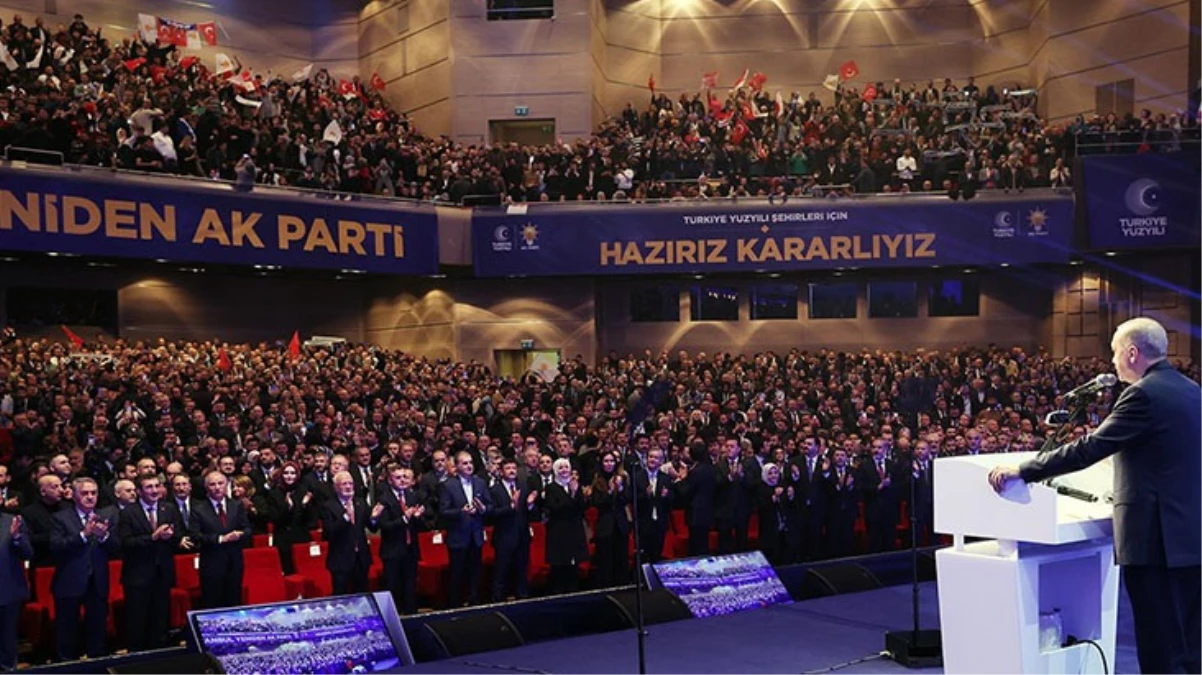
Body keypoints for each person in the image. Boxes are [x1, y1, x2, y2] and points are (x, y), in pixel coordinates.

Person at [990, 318, 1202, 675]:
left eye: (1116, 353)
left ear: (1132, 352)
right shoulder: (1191, 390)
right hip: (1190, 537)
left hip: (1156, 540)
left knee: (1158, 644)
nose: (1114, 362)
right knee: (1190, 644)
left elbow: (1091, 448)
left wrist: (1025, 469)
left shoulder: (1142, 394)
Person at [50, 477, 119, 660]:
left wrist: (104, 537)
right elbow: (55, 546)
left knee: (97, 631)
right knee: (67, 633)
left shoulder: (105, 517)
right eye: (85, 493)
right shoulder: (60, 518)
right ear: (74, 495)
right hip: (69, 583)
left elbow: (117, 547)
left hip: (97, 582)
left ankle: (98, 666)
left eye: (93, 493)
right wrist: (83, 535)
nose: (90, 497)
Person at [118, 474, 188, 651]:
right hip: (137, 575)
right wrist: (152, 537)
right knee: (137, 619)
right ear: (140, 491)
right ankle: (137, 657)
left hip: (162, 573)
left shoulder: (169, 509)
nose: (154, 490)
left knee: (160, 617)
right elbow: (125, 543)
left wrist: (173, 537)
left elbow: (178, 535)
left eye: (157, 486)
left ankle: (160, 654)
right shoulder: (128, 512)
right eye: (149, 487)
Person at [190, 471, 250, 609]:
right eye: (212, 484)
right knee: (213, 603)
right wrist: (220, 539)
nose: (217, 487)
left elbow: (247, 529)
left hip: (234, 562)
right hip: (212, 564)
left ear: (227, 485)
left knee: (234, 601)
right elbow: (195, 536)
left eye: (220, 483)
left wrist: (240, 534)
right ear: (206, 487)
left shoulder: (236, 505)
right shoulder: (198, 509)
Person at [440, 451, 490, 607]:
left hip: (476, 535)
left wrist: (483, 509)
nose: (469, 466)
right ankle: (455, 605)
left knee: (475, 573)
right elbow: (443, 511)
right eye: (465, 463)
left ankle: (474, 602)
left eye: (470, 463)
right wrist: (461, 511)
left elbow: (490, 505)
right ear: (457, 466)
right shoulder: (447, 485)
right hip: (458, 536)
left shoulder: (480, 482)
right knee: (457, 573)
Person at [371, 464, 423, 613]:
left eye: (404, 477)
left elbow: (418, 525)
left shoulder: (412, 496)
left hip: (410, 549)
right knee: (393, 586)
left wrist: (417, 517)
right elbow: (384, 526)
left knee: (410, 585)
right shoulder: (384, 499)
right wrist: (404, 519)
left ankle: (412, 615)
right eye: (398, 478)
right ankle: (394, 616)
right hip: (392, 550)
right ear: (390, 480)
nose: (402, 480)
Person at [489, 457, 535, 601]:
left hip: (522, 536)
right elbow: (492, 513)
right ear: (501, 471)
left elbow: (530, 513)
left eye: (514, 468)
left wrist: (530, 505)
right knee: (501, 573)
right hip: (504, 537)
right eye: (508, 468)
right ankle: (498, 601)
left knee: (522, 571)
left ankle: (522, 599)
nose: (512, 471)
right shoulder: (494, 490)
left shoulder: (523, 486)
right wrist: (510, 507)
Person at [543, 458, 589, 595]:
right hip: (558, 532)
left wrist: (576, 492)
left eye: (566, 467)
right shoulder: (551, 488)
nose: (564, 470)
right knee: (559, 567)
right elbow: (556, 508)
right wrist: (573, 495)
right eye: (561, 468)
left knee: (574, 566)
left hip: (574, 530)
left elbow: (582, 508)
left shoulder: (575, 485)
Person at [322, 471, 372, 595]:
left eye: (350, 483)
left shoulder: (360, 503)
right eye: (344, 484)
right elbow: (328, 533)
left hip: (361, 559)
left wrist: (375, 518)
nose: (348, 487)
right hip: (340, 560)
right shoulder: (329, 506)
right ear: (336, 487)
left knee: (362, 595)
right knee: (341, 596)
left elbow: (372, 528)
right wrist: (344, 518)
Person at [587, 450, 630, 587]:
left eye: (611, 461)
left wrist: (621, 488)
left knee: (621, 558)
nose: (609, 464)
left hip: (620, 524)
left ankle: (622, 586)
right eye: (606, 461)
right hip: (605, 526)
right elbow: (597, 503)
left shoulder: (621, 479)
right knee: (605, 560)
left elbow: (625, 500)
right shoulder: (598, 481)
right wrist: (610, 491)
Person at [265, 462, 313, 575]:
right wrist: (288, 508)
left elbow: (311, 520)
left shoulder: (303, 492)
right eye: (286, 473)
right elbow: (274, 519)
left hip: (301, 538)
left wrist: (305, 506)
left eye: (293, 473)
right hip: (283, 540)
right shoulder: (274, 494)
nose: (289, 476)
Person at [0, 510, 32, 670]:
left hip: (7, 589)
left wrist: (16, 538)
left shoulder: (13, 521)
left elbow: (28, 552)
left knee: (7, 641)